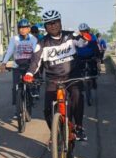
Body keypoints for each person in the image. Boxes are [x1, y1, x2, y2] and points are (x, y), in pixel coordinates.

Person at [23, 10, 91, 141]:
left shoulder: (70, 35)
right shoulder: (41, 43)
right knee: (47, 110)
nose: (53, 25)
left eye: (55, 22)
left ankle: (79, 127)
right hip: (53, 80)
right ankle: (55, 133)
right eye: (49, 23)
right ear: (45, 26)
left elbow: (81, 42)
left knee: (77, 96)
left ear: (60, 22)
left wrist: (85, 38)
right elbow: (35, 61)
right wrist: (29, 74)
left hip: (72, 76)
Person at [0, 18, 38, 111]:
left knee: (30, 84)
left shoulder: (33, 39)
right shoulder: (14, 39)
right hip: (17, 64)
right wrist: (4, 63)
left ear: (29, 29)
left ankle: (32, 96)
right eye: (20, 28)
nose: (22, 30)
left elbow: (36, 52)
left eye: (25, 28)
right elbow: (9, 51)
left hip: (29, 65)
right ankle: (17, 106)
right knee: (15, 87)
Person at [75, 22, 101, 89]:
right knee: (77, 70)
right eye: (82, 31)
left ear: (88, 30)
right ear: (80, 31)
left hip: (91, 56)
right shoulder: (77, 38)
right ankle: (80, 85)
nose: (83, 32)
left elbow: (96, 46)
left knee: (94, 69)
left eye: (85, 31)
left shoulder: (92, 36)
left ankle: (94, 81)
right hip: (80, 57)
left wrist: (97, 56)